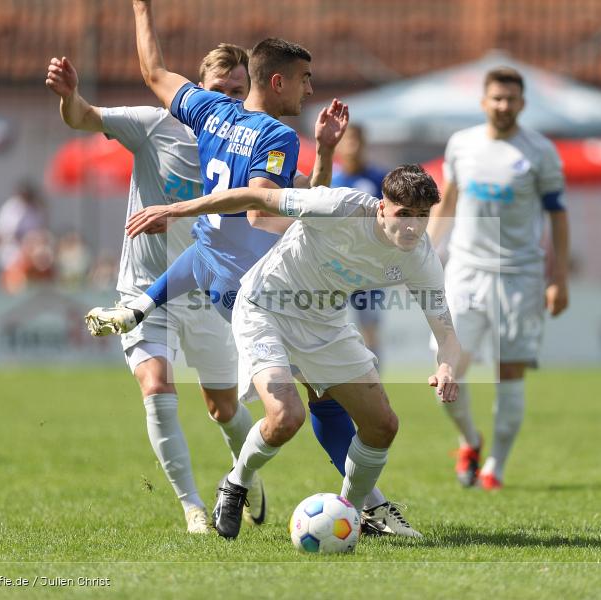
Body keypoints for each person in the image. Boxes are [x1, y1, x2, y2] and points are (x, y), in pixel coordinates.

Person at [87, 0, 421, 537]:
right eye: (305, 80)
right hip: (263, 291)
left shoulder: (213, 111)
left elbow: (153, 71)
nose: (310, 90)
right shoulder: (277, 138)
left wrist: (141, 8)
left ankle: (367, 506)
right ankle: (358, 506)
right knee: (307, 405)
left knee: (321, 397)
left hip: (224, 273)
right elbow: (266, 204)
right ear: (278, 81)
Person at [125, 164, 461, 539]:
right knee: (286, 417)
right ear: (382, 207)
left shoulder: (419, 256)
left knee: (383, 425)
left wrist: (446, 365)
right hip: (264, 308)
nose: (413, 226)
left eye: (422, 216)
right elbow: (256, 197)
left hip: (325, 323)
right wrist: (176, 210)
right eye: (404, 214)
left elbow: (445, 331)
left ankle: (349, 515)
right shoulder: (339, 207)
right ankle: (236, 483)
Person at [46, 48, 253, 533]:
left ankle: (246, 477)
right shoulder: (154, 125)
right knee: (156, 386)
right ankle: (193, 508)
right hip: (143, 290)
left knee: (223, 408)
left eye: (238, 92)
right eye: (218, 90)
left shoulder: (251, 144)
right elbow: (82, 118)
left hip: (207, 294)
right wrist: (71, 96)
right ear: (194, 91)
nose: (227, 100)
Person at [427, 67, 570, 490]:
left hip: (520, 275)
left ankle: (496, 468)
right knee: (446, 371)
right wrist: (426, 254)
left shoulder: (540, 151)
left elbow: (558, 215)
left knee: (510, 373)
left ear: (522, 103)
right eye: (497, 98)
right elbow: (447, 201)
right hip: (466, 270)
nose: (504, 106)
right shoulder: (462, 145)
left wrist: (558, 275)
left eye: (511, 99)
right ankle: (470, 440)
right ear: (483, 102)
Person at [331, 125, 389, 363]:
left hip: (369, 268)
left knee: (370, 329)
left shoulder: (379, 179)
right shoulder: (332, 179)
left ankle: (375, 384)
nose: (352, 146)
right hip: (334, 267)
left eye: (356, 141)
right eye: (347, 141)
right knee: (330, 327)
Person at [0, 182, 48, 274]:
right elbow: (1, 235)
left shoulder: (36, 208)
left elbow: (40, 231)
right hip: (11, 252)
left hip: (32, 254)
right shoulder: (10, 208)